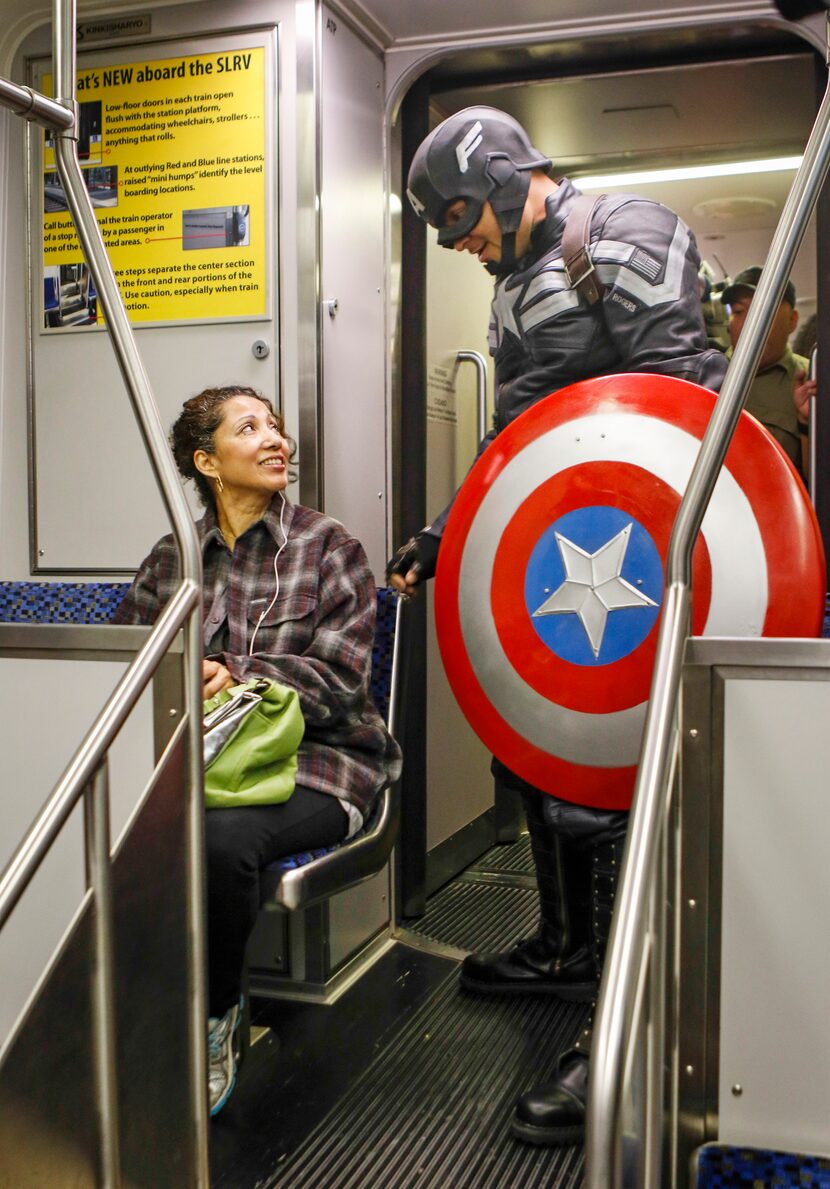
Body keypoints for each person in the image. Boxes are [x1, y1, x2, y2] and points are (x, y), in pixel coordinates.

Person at [388, 105, 728, 1147]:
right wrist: (449, 531)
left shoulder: (624, 233)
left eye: (457, 215)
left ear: (498, 176)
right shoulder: (511, 281)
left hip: (644, 554)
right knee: (532, 754)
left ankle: (622, 1025)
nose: (456, 241)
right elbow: (520, 427)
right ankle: (568, 946)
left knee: (618, 788)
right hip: (556, 554)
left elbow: (688, 402)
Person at [114, 385, 401, 1116]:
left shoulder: (328, 547)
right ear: (207, 461)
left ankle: (215, 1017)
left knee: (218, 840)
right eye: (250, 428)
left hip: (320, 760)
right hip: (208, 761)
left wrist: (240, 676)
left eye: (275, 426)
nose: (276, 439)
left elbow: (341, 684)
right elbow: (130, 664)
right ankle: (133, 1017)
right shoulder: (172, 559)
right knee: (114, 830)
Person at [723, 266, 816, 478]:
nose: (748, 321)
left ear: (792, 320)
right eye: (738, 311)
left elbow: (817, 486)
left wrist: (806, 426)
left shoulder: (810, 382)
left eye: (762, 309)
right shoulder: (707, 376)